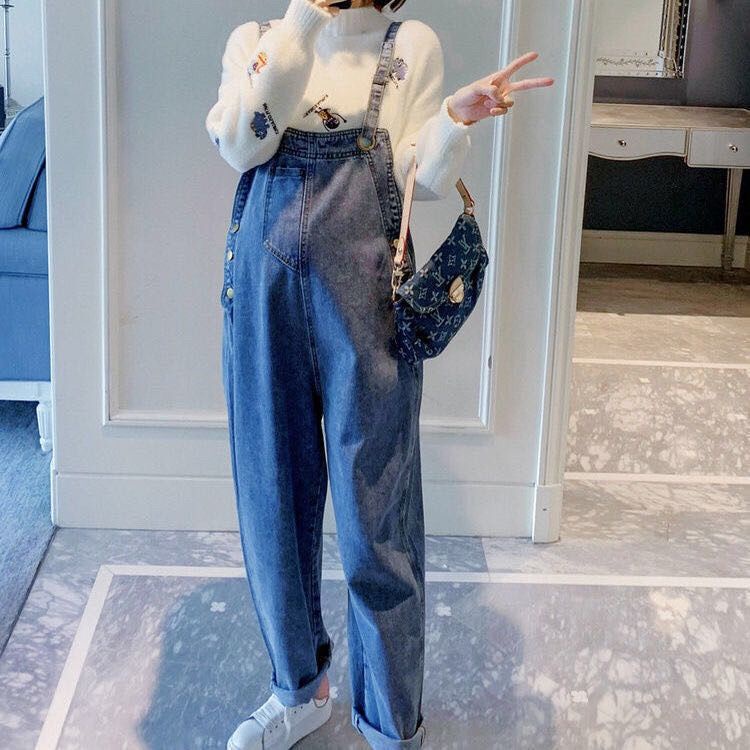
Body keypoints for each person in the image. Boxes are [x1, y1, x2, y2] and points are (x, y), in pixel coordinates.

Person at [205, 1, 553, 748]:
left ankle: (392, 722)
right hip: (264, 298)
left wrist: (452, 122)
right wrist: (302, 24)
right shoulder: (260, 42)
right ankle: (299, 690)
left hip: (367, 300)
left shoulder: (408, 46)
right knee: (272, 502)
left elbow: (413, 179)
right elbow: (240, 143)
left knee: (378, 514)